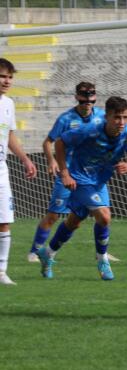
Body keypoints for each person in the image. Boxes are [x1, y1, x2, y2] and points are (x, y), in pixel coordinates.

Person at [37, 96, 127, 281]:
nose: (121, 122)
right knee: (104, 217)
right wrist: (64, 173)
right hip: (79, 179)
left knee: (74, 222)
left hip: (98, 182)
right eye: (117, 117)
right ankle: (102, 259)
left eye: (125, 117)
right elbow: (59, 142)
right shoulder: (90, 131)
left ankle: (47, 253)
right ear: (106, 116)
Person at [27, 82, 120, 264]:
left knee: (101, 214)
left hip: (92, 175)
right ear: (77, 97)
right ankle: (34, 252)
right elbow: (48, 142)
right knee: (54, 215)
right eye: (84, 96)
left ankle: (101, 253)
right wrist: (52, 160)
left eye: (91, 96)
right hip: (68, 173)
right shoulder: (66, 119)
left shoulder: (101, 116)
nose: (88, 100)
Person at [0, 58, 38, 285]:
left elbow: (10, 135)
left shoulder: (9, 104)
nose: (7, 81)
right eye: (3, 76)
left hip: (1, 168)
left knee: (4, 220)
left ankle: (1, 272)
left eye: (10, 77)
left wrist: (25, 159)